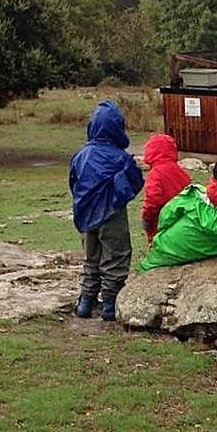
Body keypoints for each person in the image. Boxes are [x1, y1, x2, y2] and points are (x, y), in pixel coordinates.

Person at [69, 100, 145, 320]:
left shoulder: (80, 156)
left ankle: (86, 301)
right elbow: (135, 182)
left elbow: (73, 183)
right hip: (112, 214)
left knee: (90, 257)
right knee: (116, 256)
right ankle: (109, 305)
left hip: (84, 215)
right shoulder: (120, 158)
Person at [140, 133, 191, 248]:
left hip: (162, 219)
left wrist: (146, 219)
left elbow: (153, 200)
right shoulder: (181, 172)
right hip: (181, 220)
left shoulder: (155, 173)